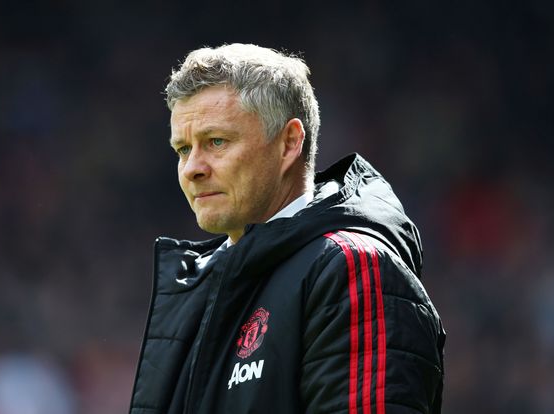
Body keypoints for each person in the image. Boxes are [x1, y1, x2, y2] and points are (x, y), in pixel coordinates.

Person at [129, 44, 445, 414]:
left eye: (216, 142)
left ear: (289, 142)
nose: (191, 169)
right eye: (183, 149)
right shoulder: (200, 281)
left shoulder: (350, 267)